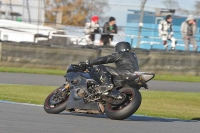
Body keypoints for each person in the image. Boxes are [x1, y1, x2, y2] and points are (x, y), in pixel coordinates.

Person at [78, 42, 145, 95]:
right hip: (134, 76)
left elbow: (105, 59)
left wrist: (89, 62)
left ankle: (107, 84)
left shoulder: (120, 53)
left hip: (125, 73)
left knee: (101, 67)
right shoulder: (133, 55)